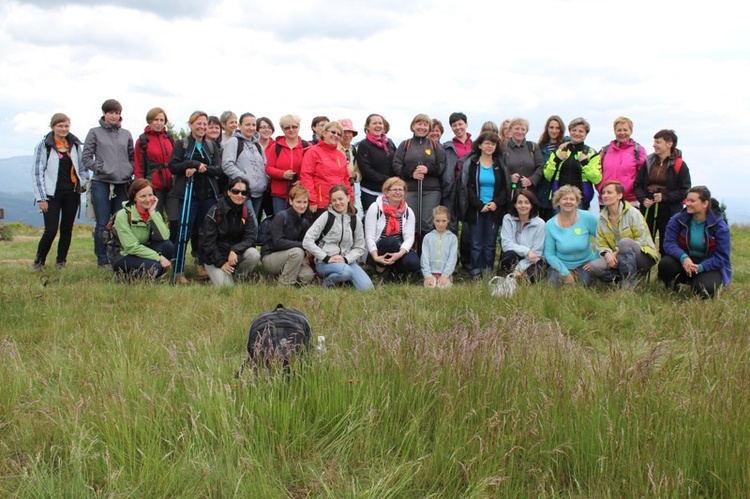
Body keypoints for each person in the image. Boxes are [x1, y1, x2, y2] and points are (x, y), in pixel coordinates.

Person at [31, 113, 89, 271]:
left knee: (67, 229)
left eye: (66, 126)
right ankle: (38, 262)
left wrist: (83, 183)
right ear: (52, 127)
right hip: (51, 195)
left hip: (72, 193)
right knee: (50, 230)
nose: (63, 129)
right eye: (60, 126)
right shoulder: (44, 146)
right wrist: (41, 198)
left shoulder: (75, 145)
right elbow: (37, 173)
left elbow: (83, 168)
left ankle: (61, 262)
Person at [167, 111, 223, 274]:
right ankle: (179, 270)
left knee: (205, 232)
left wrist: (200, 169)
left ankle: (202, 264)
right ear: (191, 125)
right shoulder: (182, 144)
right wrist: (192, 164)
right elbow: (173, 166)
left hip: (208, 196)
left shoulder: (211, 146)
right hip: (187, 196)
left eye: (205, 124)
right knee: (184, 231)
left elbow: (218, 169)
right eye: (198, 123)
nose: (202, 127)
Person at [82, 98, 134, 268]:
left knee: (120, 223)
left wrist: (128, 169)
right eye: (111, 112)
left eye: (117, 113)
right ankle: (102, 259)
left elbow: (132, 156)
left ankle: (117, 256)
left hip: (122, 183)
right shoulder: (94, 132)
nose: (114, 116)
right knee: (103, 223)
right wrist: (100, 168)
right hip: (101, 183)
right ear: (104, 113)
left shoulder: (126, 134)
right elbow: (86, 157)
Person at [658, 186, 731, 298]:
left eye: (692, 201)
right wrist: (684, 258)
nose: (687, 204)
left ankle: (698, 285)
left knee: (703, 289)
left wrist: (701, 267)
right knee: (665, 264)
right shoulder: (677, 220)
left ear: (705, 204)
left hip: (708, 266)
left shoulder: (719, 226)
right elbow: (668, 243)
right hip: (684, 262)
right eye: (687, 200)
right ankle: (672, 288)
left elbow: (722, 257)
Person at [303, 184, 373, 291]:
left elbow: (360, 247)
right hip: (325, 262)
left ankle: (342, 280)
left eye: (341, 199)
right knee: (345, 272)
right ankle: (325, 284)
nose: (337, 203)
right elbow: (307, 241)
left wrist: (346, 259)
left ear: (348, 198)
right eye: (334, 200)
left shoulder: (355, 219)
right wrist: (327, 258)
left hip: (347, 261)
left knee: (367, 288)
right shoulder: (326, 216)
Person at [589, 181, 658, 289]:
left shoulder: (633, 213)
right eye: (603, 193)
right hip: (618, 259)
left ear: (619, 196)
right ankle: (622, 280)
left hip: (643, 256)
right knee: (594, 267)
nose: (605, 196)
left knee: (624, 243)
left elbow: (642, 239)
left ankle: (629, 285)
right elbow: (601, 244)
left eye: (609, 192)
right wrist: (608, 255)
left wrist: (616, 252)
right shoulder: (601, 218)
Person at [633, 129, 691, 255]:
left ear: (669, 144)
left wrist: (664, 197)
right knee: (645, 242)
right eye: (654, 142)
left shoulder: (680, 165)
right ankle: (644, 270)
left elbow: (685, 191)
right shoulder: (648, 162)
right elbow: (637, 185)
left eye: (658, 142)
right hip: (649, 208)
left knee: (667, 243)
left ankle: (665, 272)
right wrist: (643, 199)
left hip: (670, 211)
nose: (654, 145)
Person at [199, 177, 261, 287]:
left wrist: (234, 250)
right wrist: (221, 263)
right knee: (228, 290)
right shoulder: (215, 211)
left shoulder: (247, 213)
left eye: (244, 192)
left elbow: (251, 238)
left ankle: (238, 277)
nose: (239, 195)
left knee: (254, 254)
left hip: (235, 256)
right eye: (235, 191)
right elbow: (207, 242)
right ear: (228, 192)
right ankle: (223, 276)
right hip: (215, 259)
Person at [463, 132, 510, 277]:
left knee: (490, 244)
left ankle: (488, 272)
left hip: (494, 209)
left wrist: (495, 203)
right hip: (476, 209)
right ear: (480, 145)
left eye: (493, 144)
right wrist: (479, 205)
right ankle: (476, 272)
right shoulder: (472, 163)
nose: (490, 146)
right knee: (476, 244)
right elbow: (467, 187)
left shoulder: (500, 165)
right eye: (487, 143)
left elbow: (505, 188)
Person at [392, 113, 446, 235]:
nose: (422, 127)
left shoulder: (434, 146)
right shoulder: (405, 144)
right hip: (410, 189)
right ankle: (411, 251)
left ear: (429, 128)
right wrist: (412, 173)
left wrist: (428, 169)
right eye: (419, 123)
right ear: (413, 126)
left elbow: (442, 165)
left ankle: (425, 251)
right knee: (411, 222)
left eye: (425, 124)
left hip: (431, 190)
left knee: (427, 223)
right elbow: (396, 164)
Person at [108, 179, 174, 279]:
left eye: (150, 195)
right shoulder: (123, 215)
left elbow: (164, 237)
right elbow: (131, 247)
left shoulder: (153, 212)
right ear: (134, 197)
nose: (148, 199)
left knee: (168, 246)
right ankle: (124, 277)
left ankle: (153, 274)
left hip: (142, 250)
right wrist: (158, 257)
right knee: (154, 267)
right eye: (143, 196)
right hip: (123, 255)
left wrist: (152, 213)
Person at [364, 177, 421, 278]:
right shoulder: (375, 208)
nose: (398, 192)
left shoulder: (408, 211)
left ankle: (393, 270)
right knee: (390, 242)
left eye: (401, 190)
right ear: (386, 192)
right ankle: (379, 271)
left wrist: (399, 255)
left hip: (398, 249)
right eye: (394, 189)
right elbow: (369, 236)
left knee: (414, 263)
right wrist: (376, 257)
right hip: (377, 250)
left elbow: (409, 238)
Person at [260, 184, 315, 286]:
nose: (302, 206)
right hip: (270, 257)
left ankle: (281, 275)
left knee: (307, 274)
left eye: (305, 202)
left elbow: (306, 244)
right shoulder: (281, 216)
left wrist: (305, 254)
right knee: (297, 252)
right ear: (291, 201)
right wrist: (302, 246)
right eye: (298, 202)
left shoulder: (304, 222)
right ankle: (285, 285)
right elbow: (278, 243)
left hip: (291, 257)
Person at [544, 185, 598, 286]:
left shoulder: (587, 217)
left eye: (572, 199)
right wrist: (566, 274)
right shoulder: (550, 225)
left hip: (585, 264)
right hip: (561, 264)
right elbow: (549, 254)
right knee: (551, 285)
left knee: (584, 285)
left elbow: (602, 239)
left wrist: (594, 261)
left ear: (577, 202)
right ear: (558, 202)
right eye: (564, 199)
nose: (568, 202)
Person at [544, 117, 602, 210]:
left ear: (586, 134)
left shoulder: (591, 153)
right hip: (559, 200)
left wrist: (585, 163)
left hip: (581, 201)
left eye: (581, 131)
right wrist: (557, 159)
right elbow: (548, 175)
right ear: (569, 131)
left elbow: (597, 179)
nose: (577, 133)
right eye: (574, 130)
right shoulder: (560, 150)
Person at [300, 121, 354, 217]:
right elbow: (306, 176)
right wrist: (312, 200)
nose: (336, 135)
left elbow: (345, 179)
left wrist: (350, 199)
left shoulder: (341, 155)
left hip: (339, 203)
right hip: (320, 204)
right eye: (333, 132)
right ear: (324, 133)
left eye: (339, 134)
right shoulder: (312, 152)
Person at [221, 112, 267, 217]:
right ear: (240, 126)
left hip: (259, 193)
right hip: (242, 193)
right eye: (247, 125)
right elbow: (227, 165)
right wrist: (244, 180)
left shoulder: (258, 146)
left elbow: (264, 165)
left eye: (253, 125)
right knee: (251, 224)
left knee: (253, 225)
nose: (251, 128)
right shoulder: (234, 142)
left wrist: (265, 180)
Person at [598, 117, 647, 208]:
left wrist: (633, 190)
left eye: (625, 130)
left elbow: (643, 175)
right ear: (614, 131)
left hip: (630, 200)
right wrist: (600, 188)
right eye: (619, 130)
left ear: (631, 131)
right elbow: (597, 172)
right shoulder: (606, 150)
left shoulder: (638, 151)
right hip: (606, 199)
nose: (622, 133)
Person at [265, 114, 309, 214]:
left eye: (294, 127)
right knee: (280, 222)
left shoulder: (306, 146)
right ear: (282, 129)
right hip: (280, 193)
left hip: (300, 194)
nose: (291, 130)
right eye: (287, 127)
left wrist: (302, 180)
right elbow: (268, 168)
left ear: (299, 127)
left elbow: (312, 169)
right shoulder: (275, 147)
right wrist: (282, 174)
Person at [499, 189, 546, 281]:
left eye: (527, 202)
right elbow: (506, 244)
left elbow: (537, 253)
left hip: (533, 259)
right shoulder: (508, 219)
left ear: (532, 205)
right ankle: (511, 277)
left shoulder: (540, 224)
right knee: (507, 256)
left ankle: (517, 276)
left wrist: (518, 269)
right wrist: (527, 251)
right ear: (515, 205)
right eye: (520, 202)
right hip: (517, 255)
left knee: (532, 276)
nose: (523, 205)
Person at [134, 107, 174, 213]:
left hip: (171, 185)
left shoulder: (169, 138)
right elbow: (138, 166)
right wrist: (140, 187)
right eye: (156, 120)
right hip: (153, 186)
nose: (159, 123)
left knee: (175, 219)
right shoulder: (142, 140)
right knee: (155, 217)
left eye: (162, 120)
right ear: (150, 121)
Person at [356, 113, 396, 213]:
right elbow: (366, 170)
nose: (378, 125)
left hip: (389, 192)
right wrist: (388, 180)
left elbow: (396, 162)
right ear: (367, 127)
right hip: (370, 192)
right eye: (374, 123)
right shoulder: (364, 145)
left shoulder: (389, 143)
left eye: (380, 123)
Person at [504, 117, 545, 195]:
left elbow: (541, 166)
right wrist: (509, 178)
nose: (520, 132)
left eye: (523, 129)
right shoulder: (503, 147)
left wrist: (531, 180)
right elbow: (498, 168)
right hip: (508, 193)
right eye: (516, 129)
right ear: (510, 130)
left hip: (529, 193)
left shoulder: (533, 147)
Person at [537, 115, 567, 221]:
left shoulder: (567, 143)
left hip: (562, 189)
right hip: (544, 192)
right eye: (551, 127)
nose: (554, 131)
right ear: (547, 128)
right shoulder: (540, 147)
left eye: (557, 128)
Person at [420, 205, 458, 288]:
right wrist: (427, 275)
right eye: (437, 221)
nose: (440, 224)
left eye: (443, 221)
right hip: (430, 273)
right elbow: (424, 257)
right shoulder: (428, 237)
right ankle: (431, 279)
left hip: (445, 274)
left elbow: (452, 258)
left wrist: (445, 275)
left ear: (448, 220)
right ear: (433, 220)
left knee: (443, 287)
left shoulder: (452, 238)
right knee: (430, 287)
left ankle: (447, 279)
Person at [339, 118, 361, 213]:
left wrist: (355, 175)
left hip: (350, 190)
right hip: (336, 189)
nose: (347, 135)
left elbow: (358, 171)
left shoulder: (354, 149)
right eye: (344, 132)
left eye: (350, 132)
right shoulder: (333, 149)